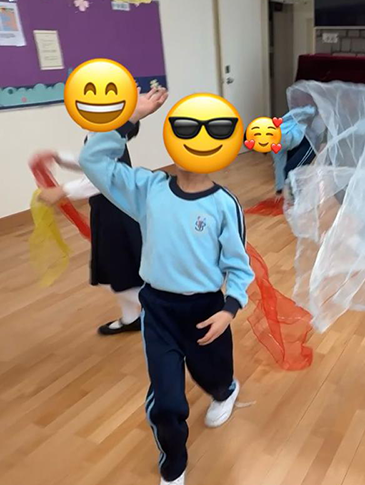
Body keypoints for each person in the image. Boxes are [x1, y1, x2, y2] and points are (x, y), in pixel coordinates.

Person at [79, 88, 254, 485]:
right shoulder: (148, 190)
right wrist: (129, 117)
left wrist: (229, 309)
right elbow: (93, 161)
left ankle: (225, 390)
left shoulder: (224, 205)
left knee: (213, 375)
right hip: (158, 310)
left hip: (206, 309)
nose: (200, 139)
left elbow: (238, 267)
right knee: (167, 399)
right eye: (188, 128)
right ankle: (173, 466)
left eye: (216, 130)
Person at [38, 124, 145, 335]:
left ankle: (160, 307)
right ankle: (131, 318)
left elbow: (105, 177)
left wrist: (62, 190)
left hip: (117, 213)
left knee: (112, 274)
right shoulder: (101, 132)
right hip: (110, 210)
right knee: (120, 272)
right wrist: (59, 157)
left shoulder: (107, 133)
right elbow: (91, 163)